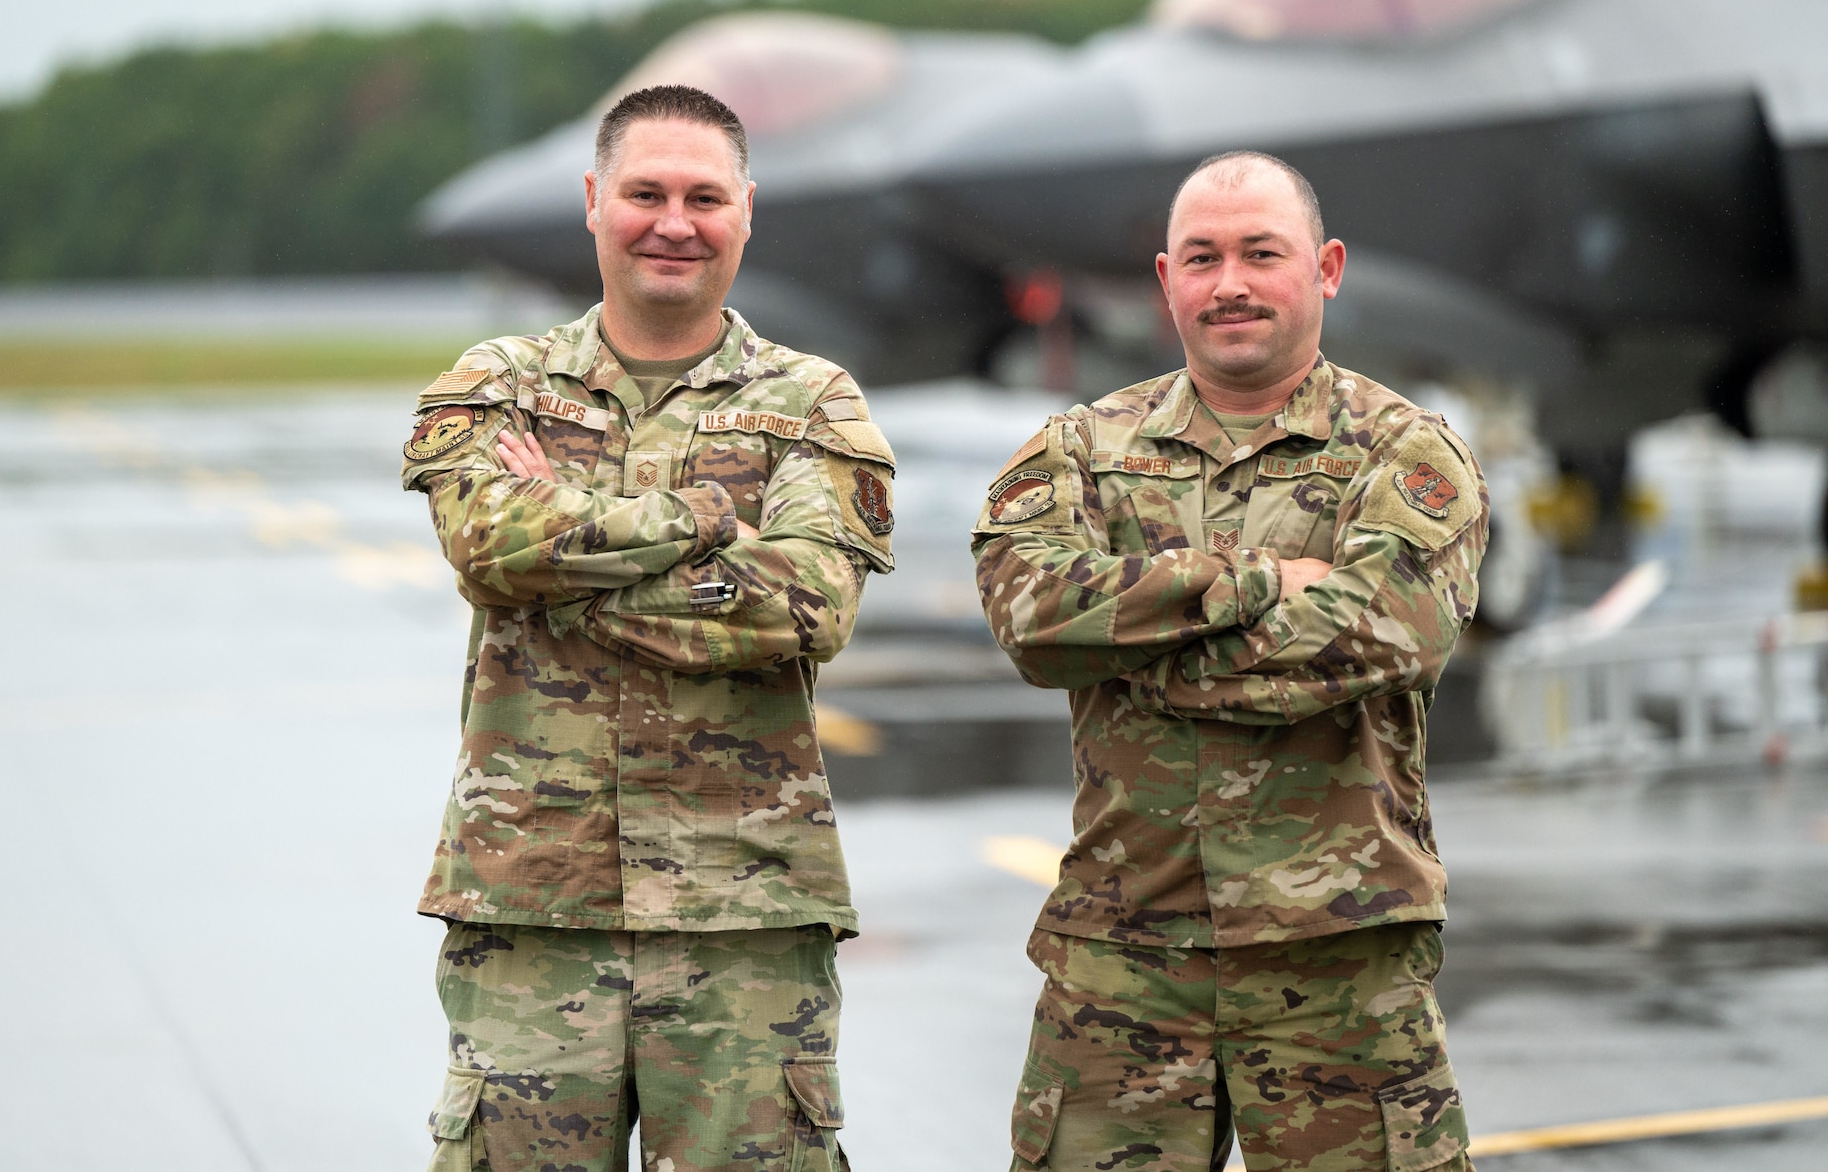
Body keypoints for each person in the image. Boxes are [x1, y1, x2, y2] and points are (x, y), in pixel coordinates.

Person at [402, 84, 894, 1172]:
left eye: (703, 196)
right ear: (592, 200)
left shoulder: (814, 403)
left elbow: (806, 604)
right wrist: (710, 519)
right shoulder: (500, 386)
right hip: (536, 906)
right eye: (645, 191)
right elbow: (489, 543)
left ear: (746, 212)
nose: (674, 219)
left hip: (745, 917)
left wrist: (565, 572)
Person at [974, 151, 1486, 1172]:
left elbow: (1387, 628)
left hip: (1335, 959)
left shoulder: (1406, 453)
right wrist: (1251, 584)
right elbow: (1030, 612)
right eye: (1201, 258)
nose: (1230, 283)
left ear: (1326, 267)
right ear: (1166, 280)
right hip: (1123, 957)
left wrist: (1136, 648)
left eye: (1262, 252)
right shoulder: (1079, 449)